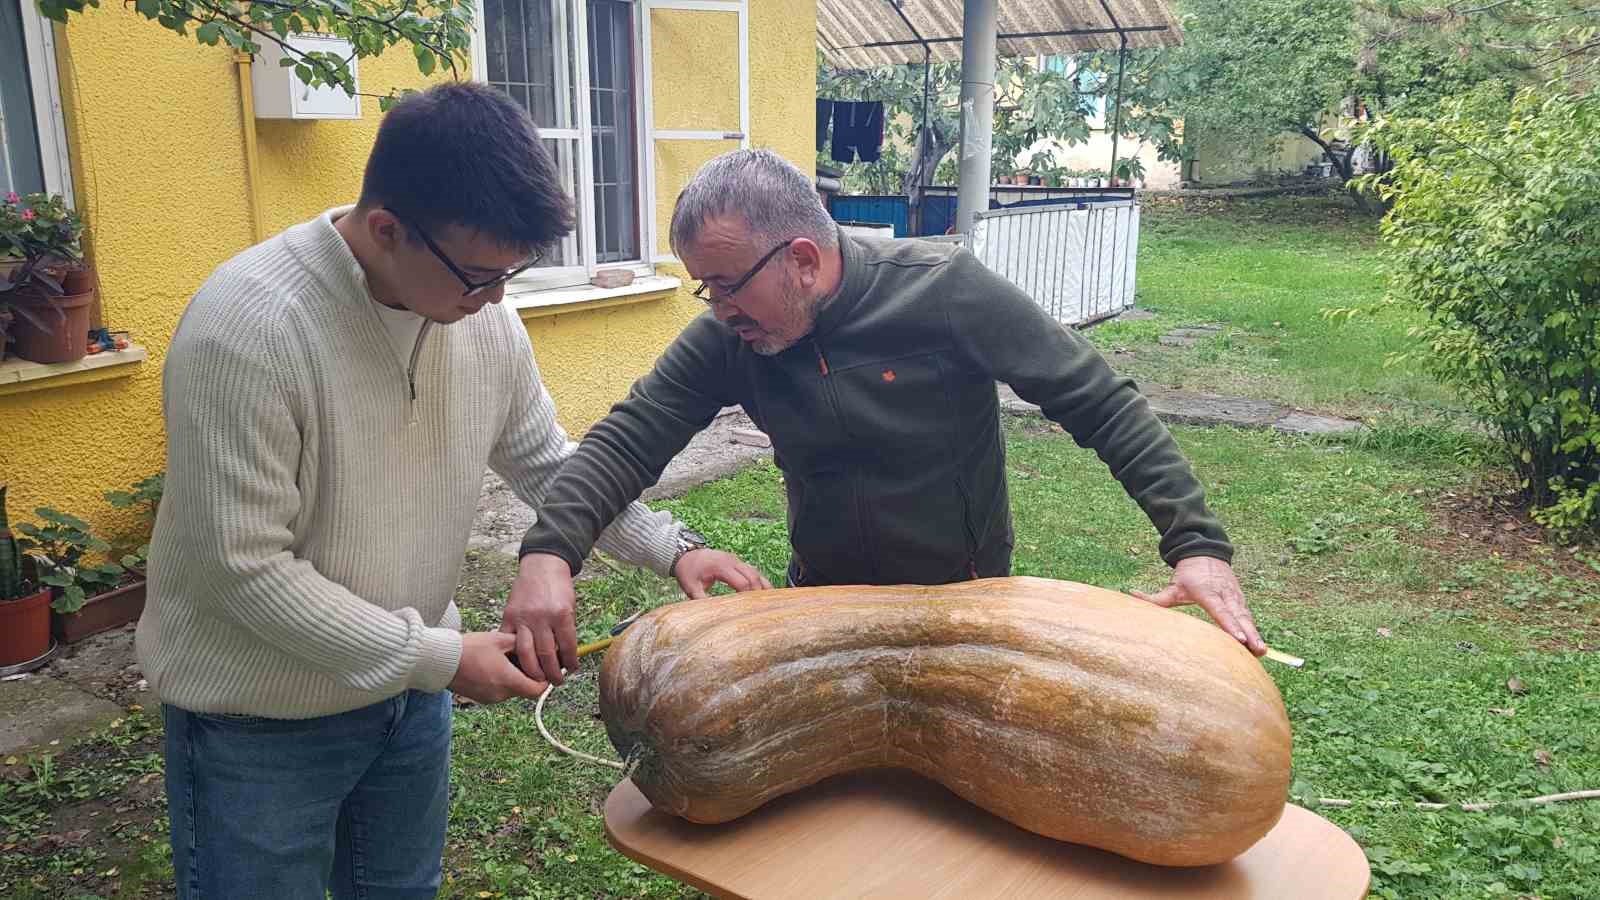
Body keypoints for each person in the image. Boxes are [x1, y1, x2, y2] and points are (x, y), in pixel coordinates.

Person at [136, 82, 767, 900]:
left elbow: (546, 460)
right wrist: (438, 657)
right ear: (387, 229)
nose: (499, 297)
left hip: (405, 706)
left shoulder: (481, 319)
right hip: (257, 721)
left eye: (513, 271)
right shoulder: (247, 331)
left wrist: (670, 547)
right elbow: (246, 571)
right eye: (479, 274)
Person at [504, 148, 1266, 689]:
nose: (719, 308)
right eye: (706, 288)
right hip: (823, 603)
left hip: (962, 600)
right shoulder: (729, 335)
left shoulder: (945, 290)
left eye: (729, 285)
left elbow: (1097, 400)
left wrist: (1195, 543)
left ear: (803, 259)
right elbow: (631, 437)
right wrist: (550, 552)